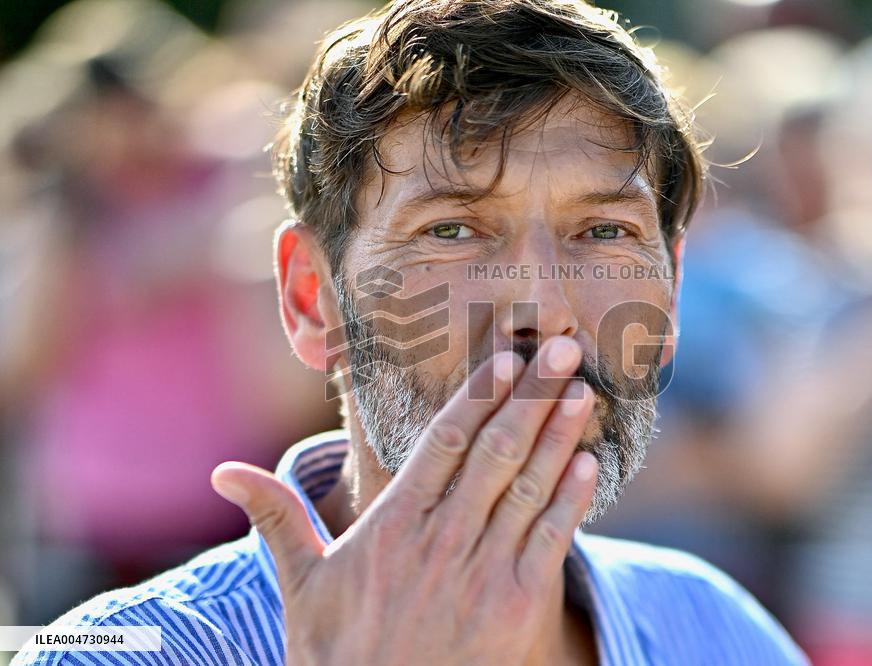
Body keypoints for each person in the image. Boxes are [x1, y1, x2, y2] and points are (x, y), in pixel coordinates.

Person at [15, 0, 808, 663]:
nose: (544, 306)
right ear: (309, 297)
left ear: (670, 292)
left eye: (604, 232)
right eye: (453, 231)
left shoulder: (720, 632)